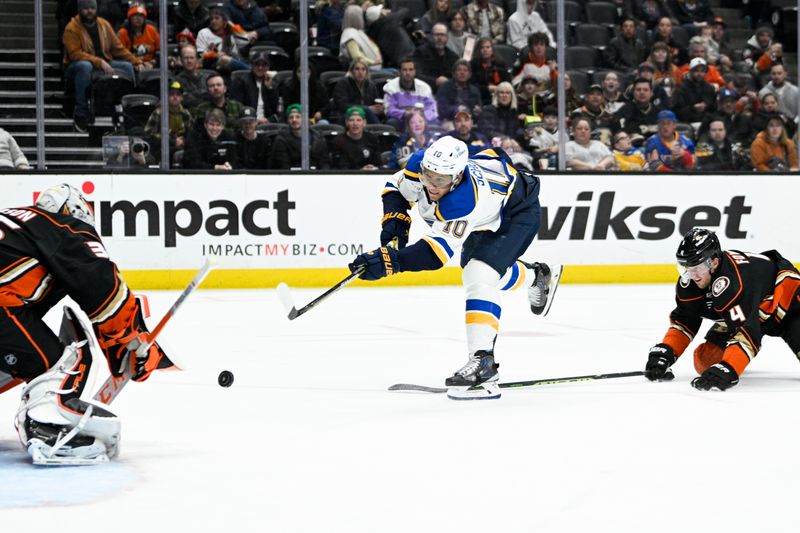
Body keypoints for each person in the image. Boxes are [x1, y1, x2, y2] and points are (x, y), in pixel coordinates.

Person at [347, 136, 561, 400]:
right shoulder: (421, 168)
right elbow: (395, 188)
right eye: (428, 176)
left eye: (440, 180)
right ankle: (537, 276)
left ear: (457, 177)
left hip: (518, 211)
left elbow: (435, 254)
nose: (431, 185)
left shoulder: (463, 202)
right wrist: (396, 220)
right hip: (490, 207)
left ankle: (484, 365)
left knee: (479, 273)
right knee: (485, 272)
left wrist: (393, 262)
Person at [0, 184, 171, 464]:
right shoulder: (61, 227)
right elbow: (103, 290)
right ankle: (50, 432)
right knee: (63, 359)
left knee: (14, 356)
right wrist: (134, 343)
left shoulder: (17, 224)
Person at [644, 228, 800, 392]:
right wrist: (666, 352)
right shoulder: (692, 280)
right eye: (687, 267)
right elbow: (686, 319)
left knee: (729, 361)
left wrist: (730, 367)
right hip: (749, 310)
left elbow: (748, 330)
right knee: (704, 362)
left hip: (788, 307)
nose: (692, 275)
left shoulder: (734, 284)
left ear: (715, 262)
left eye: (697, 268)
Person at [62, 0, 142, 133]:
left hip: (105, 62)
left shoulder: (104, 25)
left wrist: (136, 61)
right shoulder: (71, 28)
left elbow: (117, 48)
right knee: (85, 66)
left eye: (92, 8)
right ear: (80, 10)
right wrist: (99, 62)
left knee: (127, 67)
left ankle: (129, 109)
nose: (89, 11)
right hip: (76, 66)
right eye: (86, 9)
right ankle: (81, 112)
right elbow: (75, 54)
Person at [144, 80, 193, 164]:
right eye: (171, 94)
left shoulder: (186, 114)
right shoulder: (159, 112)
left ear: (182, 98)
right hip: (162, 148)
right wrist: (173, 141)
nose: (175, 97)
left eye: (178, 95)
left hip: (183, 146)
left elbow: (192, 132)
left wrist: (184, 141)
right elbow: (149, 132)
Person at [268, 104, 330, 169]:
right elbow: (283, 167)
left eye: (298, 117)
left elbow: (324, 164)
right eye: (291, 117)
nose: (294, 120)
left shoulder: (318, 138)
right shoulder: (281, 140)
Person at [383, 57, 439, 129]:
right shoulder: (390, 87)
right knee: (392, 122)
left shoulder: (424, 87)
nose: (408, 73)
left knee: (435, 122)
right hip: (401, 119)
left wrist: (421, 115)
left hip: (421, 119)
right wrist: (405, 114)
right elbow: (389, 110)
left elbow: (432, 108)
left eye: (411, 70)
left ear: (415, 71)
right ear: (399, 72)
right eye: (404, 70)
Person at [229, 50, 279, 124]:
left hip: (267, 124)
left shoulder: (272, 84)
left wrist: (269, 89)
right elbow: (237, 108)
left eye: (264, 65)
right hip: (247, 122)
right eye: (257, 64)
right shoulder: (240, 82)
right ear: (251, 65)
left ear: (268, 67)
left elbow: (275, 110)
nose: (260, 68)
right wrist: (255, 119)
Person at [196, 7, 250, 73]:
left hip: (234, 61)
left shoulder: (231, 32)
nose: (213, 21)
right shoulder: (204, 32)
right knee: (224, 59)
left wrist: (232, 25)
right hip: (212, 63)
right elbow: (200, 55)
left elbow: (246, 41)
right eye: (211, 19)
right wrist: (214, 55)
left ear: (224, 21)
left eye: (217, 18)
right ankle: (251, 70)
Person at [332, 59, 384, 124]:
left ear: (367, 72)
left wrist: (379, 108)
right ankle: (378, 129)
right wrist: (365, 109)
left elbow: (375, 102)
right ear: (351, 71)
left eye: (363, 69)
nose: (360, 72)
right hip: (346, 116)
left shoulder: (371, 85)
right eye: (357, 69)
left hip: (365, 117)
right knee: (365, 109)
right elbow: (342, 106)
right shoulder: (343, 83)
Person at [412, 22, 460, 90]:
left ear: (447, 37)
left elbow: (457, 78)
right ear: (431, 36)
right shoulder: (420, 52)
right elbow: (416, 74)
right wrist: (435, 81)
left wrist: (447, 82)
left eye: (442, 35)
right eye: (437, 35)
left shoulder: (453, 57)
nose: (440, 38)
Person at [670, 57, 716, 124]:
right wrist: (693, 109)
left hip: (706, 123)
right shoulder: (681, 89)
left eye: (702, 71)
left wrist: (706, 107)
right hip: (687, 123)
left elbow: (714, 108)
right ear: (690, 71)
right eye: (696, 71)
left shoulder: (709, 88)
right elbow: (676, 112)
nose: (699, 74)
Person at [435, 59, 482, 124]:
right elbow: (441, 109)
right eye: (459, 70)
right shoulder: (445, 88)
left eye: (465, 70)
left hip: (469, 120)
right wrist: (456, 109)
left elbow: (478, 108)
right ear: (454, 74)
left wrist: (477, 111)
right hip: (450, 120)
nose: (462, 73)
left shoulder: (474, 90)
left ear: (469, 75)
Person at [340, 5, 385, 72]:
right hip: (365, 71)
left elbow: (373, 45)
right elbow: (357, 57)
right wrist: (374, 62)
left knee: (393, 71)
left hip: (375, 66)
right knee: (393, 72)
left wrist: (378, 55)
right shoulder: (349, 35)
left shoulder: (359, 32)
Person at [116, 4, 160, 70]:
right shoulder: (122, 33)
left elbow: (160, 51)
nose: (138, 18)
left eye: (141, 16)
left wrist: (153, 63)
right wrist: (135, 65)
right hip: (131, 66)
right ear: (130, 18)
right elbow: (119, 55)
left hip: (150, 65)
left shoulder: (152, 30)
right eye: (135, 16)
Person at [470, 37, 511, 105]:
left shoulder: (500, 64)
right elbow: (471, 86)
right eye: (482, 48)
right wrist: (487, 89)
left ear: (492, 49)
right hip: (481, 98)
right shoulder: (473, 65)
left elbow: (508, 84)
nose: (485, 50)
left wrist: (499, 88)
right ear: (478, 50)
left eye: (488, 47)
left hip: (500, 97)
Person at [175, 44, 211, 110]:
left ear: (197, 60)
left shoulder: (207, 78)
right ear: (181, 60)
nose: (189, 61)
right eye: (186, 58)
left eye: (192, 58)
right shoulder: (176, 81)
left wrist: (189, 95)